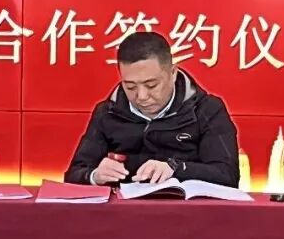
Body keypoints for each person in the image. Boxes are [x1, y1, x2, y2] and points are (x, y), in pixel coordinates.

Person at [65, 32, 239, 187]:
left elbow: (227, 175)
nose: (141, 96)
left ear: (173, 72)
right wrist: (94, 176)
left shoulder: (206, 110)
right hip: (124, 210)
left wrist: (176, 168)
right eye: (130, 86)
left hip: (185, 209)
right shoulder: (108, 112)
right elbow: (73, 175)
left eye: (151, 85)